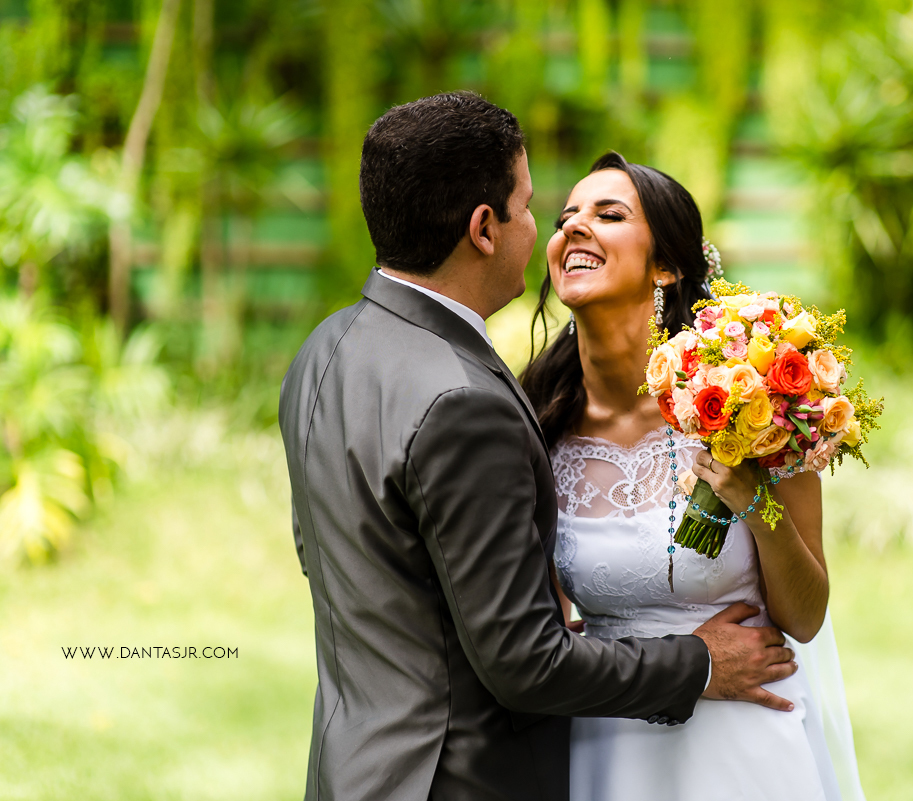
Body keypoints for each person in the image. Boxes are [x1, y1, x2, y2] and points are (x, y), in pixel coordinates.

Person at [278, 92, 800, 801]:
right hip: (455, 779)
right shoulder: (465, 401)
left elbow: (342, 563)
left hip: (355, 770)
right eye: (532, 210)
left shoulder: (324, 351)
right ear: (484, 228)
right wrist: (699, 662)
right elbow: (523, 662)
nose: (549, 231)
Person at [521, 152, 868, 801]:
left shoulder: (747, 400)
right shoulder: (536, 423)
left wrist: (754, 498)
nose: (573, 228)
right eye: (566, 216)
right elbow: (539, 630)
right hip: (606, 744)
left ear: (667, 266)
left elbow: (806, 614)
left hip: (746, 749)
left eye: (609, 214)